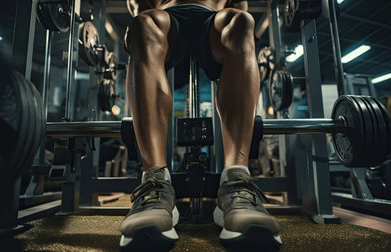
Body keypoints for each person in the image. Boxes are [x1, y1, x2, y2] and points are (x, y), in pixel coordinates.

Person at [120, 0, 281, 250]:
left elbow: (240, 7)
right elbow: (137, 8)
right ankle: (155, 183)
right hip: (167, 20)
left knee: (241, 22)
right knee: (143, 24)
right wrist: (140, 38)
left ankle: (236, 182)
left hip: (212, 19)